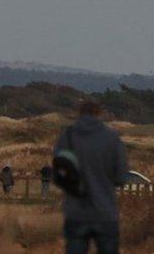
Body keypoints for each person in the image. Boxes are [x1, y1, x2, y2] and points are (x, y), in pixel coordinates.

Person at [53, 101, 128, 254]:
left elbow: (58, 174)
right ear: (99, 114)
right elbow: (121, 177)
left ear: (79, 113)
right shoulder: (112, 138)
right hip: (105, 212)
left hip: (75, 212)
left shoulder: (67, 137)